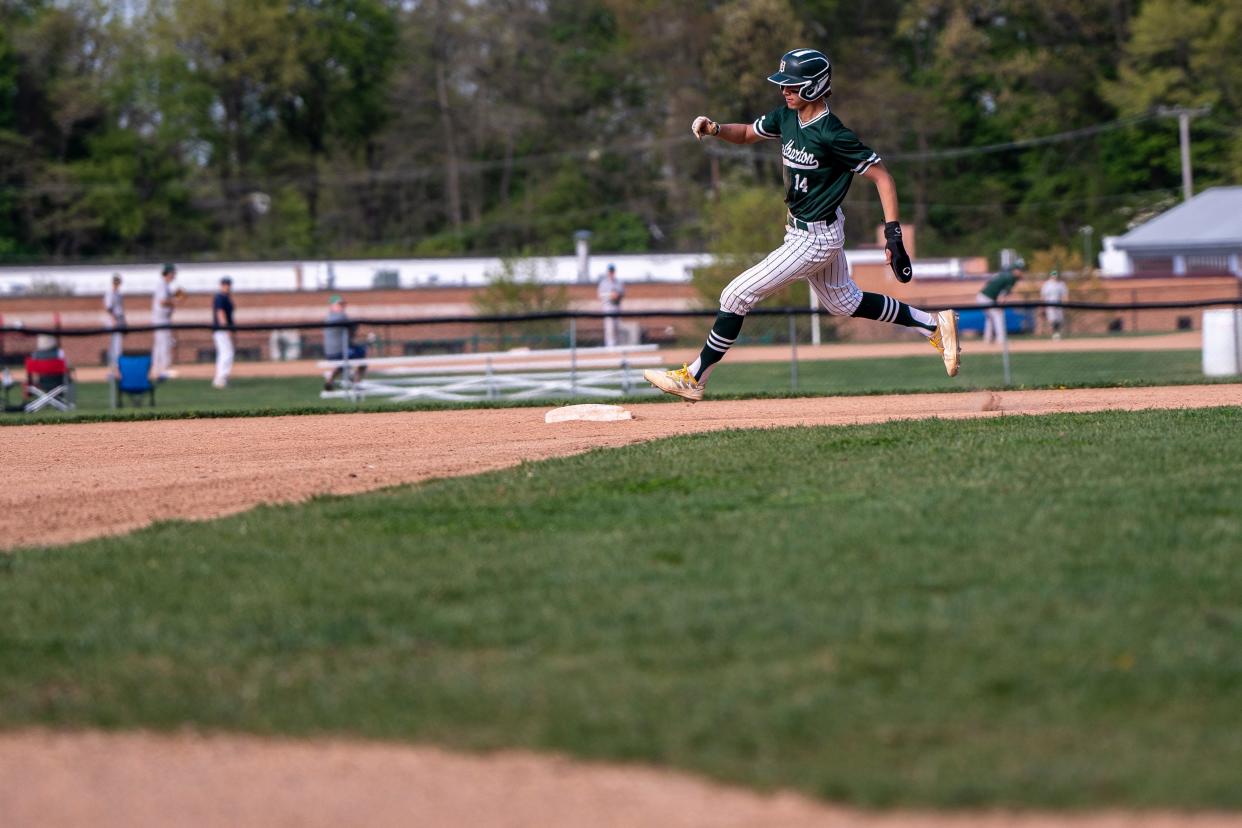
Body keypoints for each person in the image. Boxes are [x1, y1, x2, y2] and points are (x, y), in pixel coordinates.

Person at [644, 48, 958, 402]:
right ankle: (934, 324)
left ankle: (694, 377)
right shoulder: (786, 117)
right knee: (844, 302)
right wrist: (716, 128)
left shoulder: (832, 133)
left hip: (815, 239)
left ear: (814, 86)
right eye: (782, 85)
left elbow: (883, 178)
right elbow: (747, 133)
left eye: (792, 85)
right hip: (803, 230)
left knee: (735, 295)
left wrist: (893, 234)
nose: (784, 91)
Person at [322, 294, 367, 389]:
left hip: (331, 353)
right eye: (339, 304)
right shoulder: (341, 316)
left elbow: (350, 331)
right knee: (362, 355)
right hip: (339, 352)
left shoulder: (329, 317)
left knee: (344, 363)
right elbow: (352, 328)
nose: (342, 306)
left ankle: (330, 381)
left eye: (343, 304)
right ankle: (356, 381)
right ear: (332, 306)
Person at [977, 259, 1024, 346]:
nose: (1021, 272)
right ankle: (1001, 340)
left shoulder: (1005, 275)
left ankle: (988, 340)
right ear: (1015, 270)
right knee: (998, 315)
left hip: (982, 296)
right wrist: (999, 305)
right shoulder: (1012, 278)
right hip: (987, 298)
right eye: (1019, 270)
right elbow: (1003, 294)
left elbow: (990, 283)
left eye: (1021, 270)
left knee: (990, 318)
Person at [151, 263, 183, 380]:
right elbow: (162, 301)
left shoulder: (165, 285)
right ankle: (163, 369)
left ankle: (157, 369)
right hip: (161, 319)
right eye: (173, 273)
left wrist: (174, 298)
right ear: (168, 273)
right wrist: (175, 301)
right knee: (163, 343)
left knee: (160, 344)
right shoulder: (162, 285)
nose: (174, 275)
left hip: (162, 318)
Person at [211, 276, 235, 388]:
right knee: (226, 353)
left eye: (229, 284)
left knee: (225, 353)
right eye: (225, 284)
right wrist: (226, 328)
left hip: (222, 330)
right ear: (221, 285)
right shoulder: (220, 297)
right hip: (221, 330)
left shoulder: (226, 297)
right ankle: (221, 378)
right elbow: (220, 313)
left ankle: (221, 378)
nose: (227, 286)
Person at [597, 263, 626, 347]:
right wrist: (610, 295)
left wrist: (618, 295)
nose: (611, 273)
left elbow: (622, 293)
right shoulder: (604, 283)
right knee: (609, 328)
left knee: (617, 327)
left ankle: (617, 345)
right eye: (610, 271)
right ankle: (610, 346)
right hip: (608, 307)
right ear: (608, 272)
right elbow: (600, 295)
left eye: (612, 271)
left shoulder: (618, 282)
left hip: (617, 307)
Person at [103, 273, 125, 379]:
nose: (117, 283)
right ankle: (112, 371)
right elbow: (108, 307)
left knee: (118, 347)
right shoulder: (110, 293)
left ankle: (117, 370)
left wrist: (124, 322)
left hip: (119, 320)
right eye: (115, 281)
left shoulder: (119, 293)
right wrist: (113, 320)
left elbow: (120, 309)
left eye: (118, 281)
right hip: (113, 322)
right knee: (114, 347)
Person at [1040, 269, 1069, 339]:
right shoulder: (1047, 284)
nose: (1054, 277)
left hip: (1059, 304)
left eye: (1055, 275)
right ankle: (1054, 333)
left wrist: (1066, 304)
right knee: (1052, 319)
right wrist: (1042, 306)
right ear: (1051, 276)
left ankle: (1057, 332)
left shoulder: (1061, 284)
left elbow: (1065, 295)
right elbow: (1043, 296)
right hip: (1049, 304)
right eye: (1053, 275)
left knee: (1059, 319)